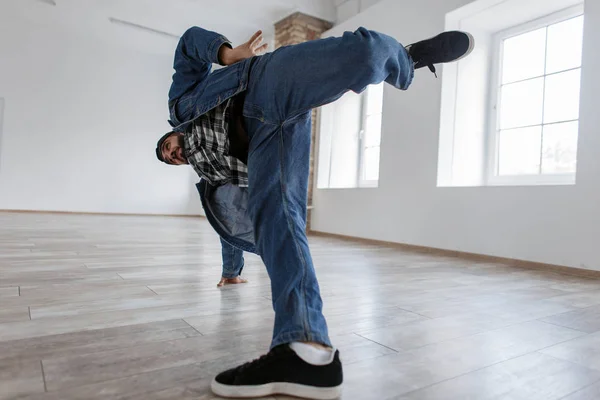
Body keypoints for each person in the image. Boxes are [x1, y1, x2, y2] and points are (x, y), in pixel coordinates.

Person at [156, 25, 474, 399]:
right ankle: (305, 349)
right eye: (171, 161)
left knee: (364, 53)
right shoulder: (210, 175)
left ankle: (407, 57)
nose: (173, 155)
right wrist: (231, 272)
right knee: (280, 223)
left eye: (167, 148)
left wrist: (226, 55)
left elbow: (189, 43)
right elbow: (229, 227)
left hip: (263, 81)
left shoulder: (181, 104)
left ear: (171, 134)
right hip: (269, 143)